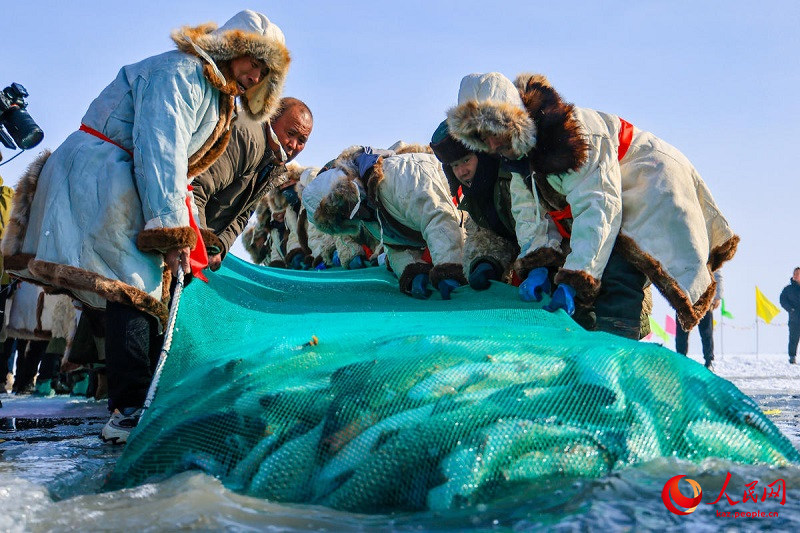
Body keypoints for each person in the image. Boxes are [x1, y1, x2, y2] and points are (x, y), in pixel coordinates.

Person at [1, 10, 290, 443]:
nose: (255, 76)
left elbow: (179, 168)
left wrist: (187, 231)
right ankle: (129, 408)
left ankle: (138, 399)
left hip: (124, 177)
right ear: (234, 49)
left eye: (266, 72)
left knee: (143, 289)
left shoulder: (214, 90)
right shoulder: (183, 73)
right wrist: (171, 232)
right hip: (106, 173)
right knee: (134, 287)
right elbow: (162, 151)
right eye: (254, 62)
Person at [446, 72, 738, 337]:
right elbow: (529, 214)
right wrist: (538, 262)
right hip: (609, 194)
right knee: (588, 267)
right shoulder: (515, 155)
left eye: (494, 131)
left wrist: (575, 279)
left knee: (619, 264)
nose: (492, 144)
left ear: (512, 121)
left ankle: (616, 357)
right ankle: (591, 350)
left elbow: (598, 209)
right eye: (482, 137)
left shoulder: (571, 139)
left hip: (648, 178)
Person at [302, 145, 467, 299]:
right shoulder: (367, 211)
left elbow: (439, 218)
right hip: (443, 231)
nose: (350, 216)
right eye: (341, 216)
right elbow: (394, 245)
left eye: (344, 207)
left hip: (466, 220)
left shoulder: (400, 175)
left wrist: (449, 268)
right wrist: (412, 270)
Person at [192, 97, 313, 271]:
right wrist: (199, 242)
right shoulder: (248, 137)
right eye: (290, 133)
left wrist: (219, 247)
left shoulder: (273, 166)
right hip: (175, 228)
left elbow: (241, 216)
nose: (293, 145)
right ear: (271, 118)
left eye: (301, 140)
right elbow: (197, 189)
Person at [430, 120, 519, 289]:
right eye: (455, 165)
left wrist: (539, 263)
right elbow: (489, 234)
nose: (462, 172)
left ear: (483, 154)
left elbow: (537, 227)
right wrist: (485, 262)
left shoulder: (513, 179)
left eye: (466, 160)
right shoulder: (475, 196)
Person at [675, 270, 723, 370]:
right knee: (681, 332)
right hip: (685, 299)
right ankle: (680, 360)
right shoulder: (681, 255)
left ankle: (709, 361)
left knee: (706, 333)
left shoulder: (708, 255)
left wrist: (717, 296)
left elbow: (717, 274)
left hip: (704, 298)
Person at [779, 267, 800, 365]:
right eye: (795, 274)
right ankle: (792, 358)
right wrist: (790, 309)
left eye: (798, 274)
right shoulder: (788, 289)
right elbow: (782, 300)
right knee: (793, 338)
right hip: (794, 319)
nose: (796, 275)